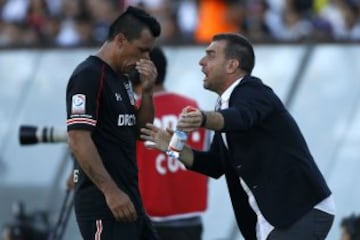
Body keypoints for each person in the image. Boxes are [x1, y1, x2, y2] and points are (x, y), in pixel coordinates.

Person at [140, 33, 336, 240]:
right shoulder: (225, 104)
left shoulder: (252, 90)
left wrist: (203, 119)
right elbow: (214, 165)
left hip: (299, 211)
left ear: (232, 65)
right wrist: (173, 148)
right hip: (275, 218)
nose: (201, 61)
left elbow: (241, 118)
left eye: (211, 55)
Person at [65, 6, 161, 240]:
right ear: (120, 40)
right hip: (104, 204)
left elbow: (140, 132)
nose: (145, 59)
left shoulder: (122, 78)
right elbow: (78, 138)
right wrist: (110, 191)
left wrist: (147, 92)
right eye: (142, 50)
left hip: (129, 199)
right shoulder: (88, 75)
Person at [131, 46, 209, 240]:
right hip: (191, 217)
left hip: (149, 218)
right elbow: (207, 157)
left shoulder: (135, 112)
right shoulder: (192, 108)